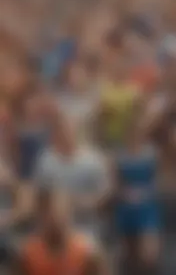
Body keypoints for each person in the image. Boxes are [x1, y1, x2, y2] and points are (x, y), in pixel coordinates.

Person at [33, 116, 109, 246]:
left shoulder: (93, 160)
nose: (66, 134)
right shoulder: (46, 161)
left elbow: (103, 198)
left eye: (69, 130)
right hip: (53, 227)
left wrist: (76, 203)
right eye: (62, 130)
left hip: (86, 225)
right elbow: (41, 198)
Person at [112, 98, 160, 275]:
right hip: (126, 207)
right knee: (127, 256)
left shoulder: (152, 154)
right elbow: (115, 184)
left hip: (146, 208)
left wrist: (145, 193)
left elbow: (159, 181)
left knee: (149, 255)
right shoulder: (119, 155)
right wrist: (124, 193)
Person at [12, 188, 106, 275]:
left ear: (69, 213)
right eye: (48, 212)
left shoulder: (87, 253)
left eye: (60, 211)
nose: (54, 218)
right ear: (40, 215)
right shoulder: (26, 254)